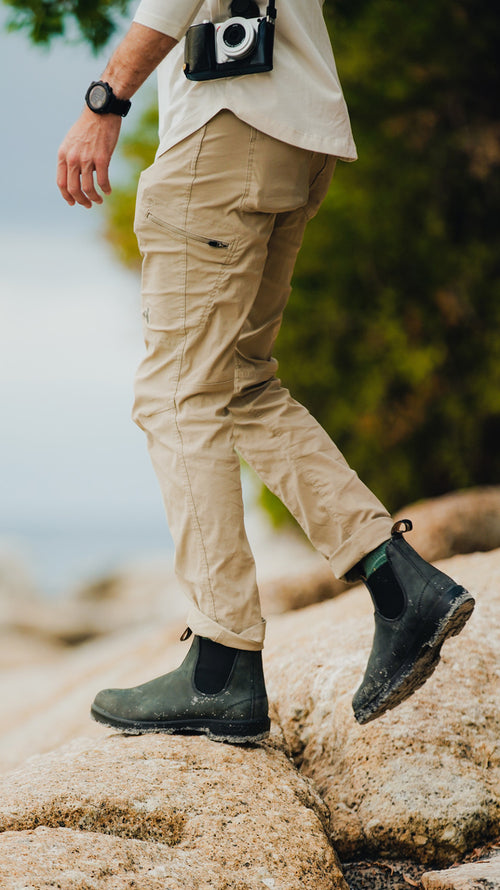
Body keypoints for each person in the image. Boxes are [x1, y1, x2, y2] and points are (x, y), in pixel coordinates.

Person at [57, 0, 475, 743]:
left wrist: (107, 98)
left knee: (176, 395)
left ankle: (220, 664)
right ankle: (399, 585)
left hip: (227, 128)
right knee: (241, 382)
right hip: (296, 130)